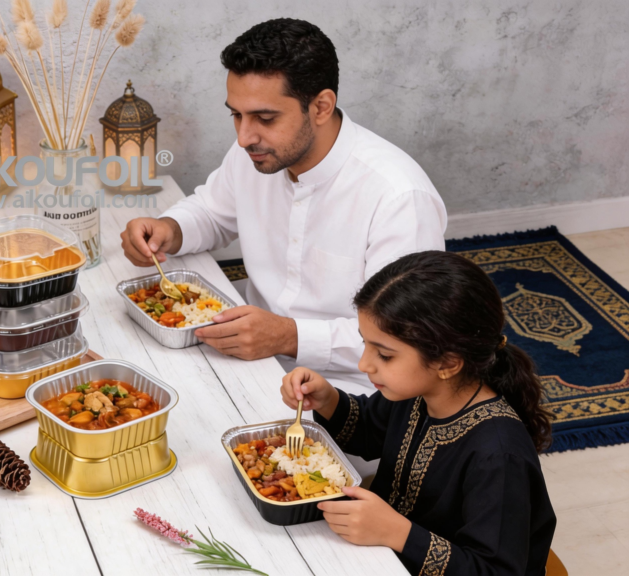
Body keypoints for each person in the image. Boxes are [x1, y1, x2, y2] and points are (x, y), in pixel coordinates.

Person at [121, 18, 447, 395]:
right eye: (236, 115)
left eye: (265, 117)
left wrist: (288, 337)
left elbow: (406, 339)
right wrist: (169, 229)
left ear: (321, 106)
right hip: (245, 349)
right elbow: (212, 212)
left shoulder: (399, 197)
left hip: (351, 393)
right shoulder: (257, 151)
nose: (244, 137)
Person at [281, 251, 555, 575]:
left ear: (448, 363)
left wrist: (398, 533)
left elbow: (495, 571)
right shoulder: (416, 394)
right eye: (365, 345)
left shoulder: (498, 456)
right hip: (381, 553)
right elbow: (368, 429)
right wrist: (327, 399)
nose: (364, 364)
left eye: (384, 354)